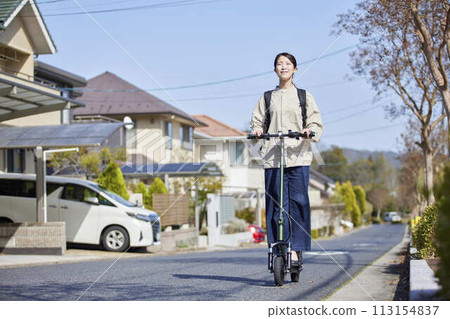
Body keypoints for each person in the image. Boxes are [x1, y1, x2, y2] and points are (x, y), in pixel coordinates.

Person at [250, 52, 323, 264]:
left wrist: (310, 130)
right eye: (279, 64)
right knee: (275, 203)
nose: (284, 67)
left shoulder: (304, 96)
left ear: (295, 69)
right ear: (275, 70)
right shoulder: (266, 97)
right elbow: (257, 121)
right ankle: (276, 244)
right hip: (273, 156)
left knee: (298, 201)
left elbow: (315, 120)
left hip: (298, 155)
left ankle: (296, 248)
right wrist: (256, 131)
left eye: (288, 63)